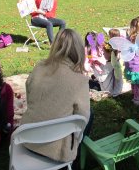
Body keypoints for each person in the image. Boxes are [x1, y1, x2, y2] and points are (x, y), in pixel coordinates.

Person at [20, 29, 90, 162]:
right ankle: (75, 164)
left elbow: (30, 97)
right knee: (89, 115)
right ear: (79, 50)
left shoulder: (39, 67)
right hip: (57, 151)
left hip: (26, 138)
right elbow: (83, 119)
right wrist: (76, 140)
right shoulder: (80, 81)